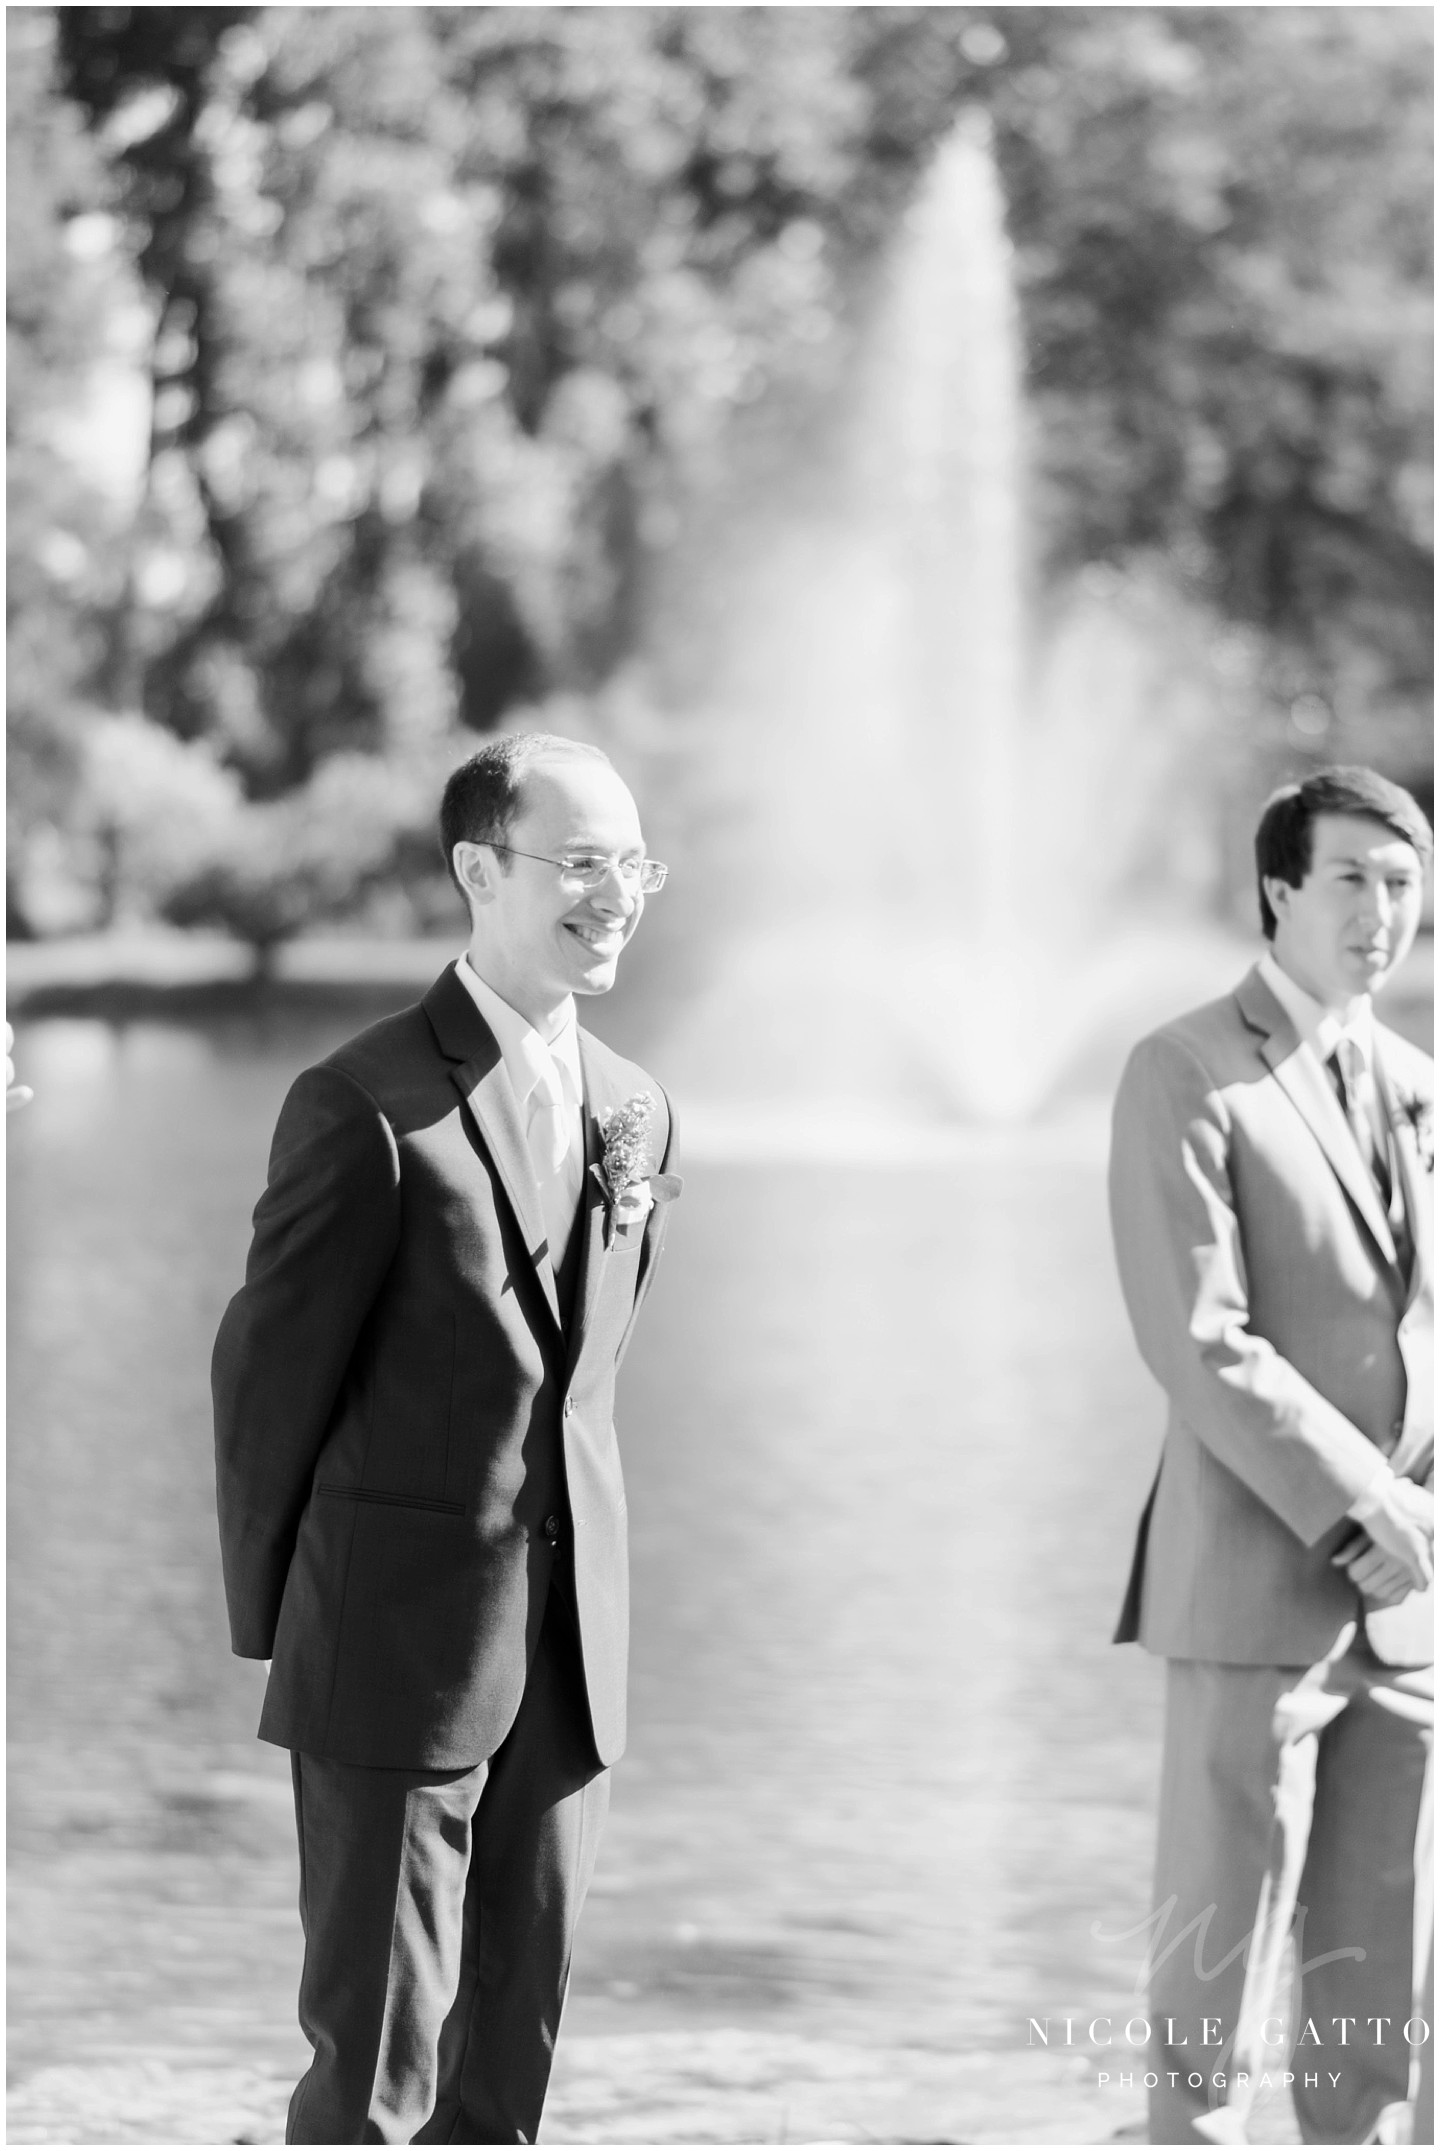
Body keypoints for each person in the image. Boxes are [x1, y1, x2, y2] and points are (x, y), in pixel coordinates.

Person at [213, 733, 680, 2143]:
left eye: (633, 865)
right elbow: (264, 1380)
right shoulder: (362, 1108)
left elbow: (584, 1375)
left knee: (509, 2072)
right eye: (581, 864)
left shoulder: (639, 1113)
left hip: (571, 1659)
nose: (615, 896)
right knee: (373, 2080)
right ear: (481, 871)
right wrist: (285, 1622)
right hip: (389, 1657)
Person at [1108, 765, 1434, 2147]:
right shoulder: (1185, 1070)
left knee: (1377, 1998)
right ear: (1283, 890)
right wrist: (1371, 1508)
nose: (1384, 910)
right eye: (1353, 878)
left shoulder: (1419, 1084)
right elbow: (1201, 1340)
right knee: (1214, 1985)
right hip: (1254, 1586)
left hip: (1413, 1612)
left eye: (1406, 883)